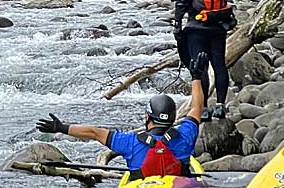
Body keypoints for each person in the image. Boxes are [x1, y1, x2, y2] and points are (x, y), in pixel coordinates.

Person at [35, 52, 209, 180]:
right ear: (172, 117)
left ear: (148, 117)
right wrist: (196, 76)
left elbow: (94, 133)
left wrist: (61, 128)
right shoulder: (185, 134)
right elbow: (196, 107)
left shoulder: (130, 141)